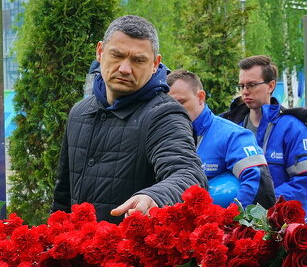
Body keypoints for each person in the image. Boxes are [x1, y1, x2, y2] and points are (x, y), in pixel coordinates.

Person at [53, 15, 207, 222]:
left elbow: (189, 174)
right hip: (80, 250)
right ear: (100, 52)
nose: (125, 69)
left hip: (132, 250)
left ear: (155, 64)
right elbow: (63, 197)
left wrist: (154, 196)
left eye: (138, 60)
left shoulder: (164, 115)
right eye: (117, 55)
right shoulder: (80, 112)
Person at [223, 55, 307, 215]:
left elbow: (305, 183)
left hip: (283, 226)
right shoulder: (232, 127)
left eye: (251, 85)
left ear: (270, 86)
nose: (245, 92)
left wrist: (262, 206)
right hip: (240, 225)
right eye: (241, 86)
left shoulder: (293, 128)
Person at [167, 71, 271, 209]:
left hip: (220, 227)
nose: (175, 110)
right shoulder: (164, 138)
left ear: (200, 97)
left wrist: (229, 220)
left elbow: (258, 183)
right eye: (169, 105)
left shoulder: (233, 135)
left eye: (181, 102)